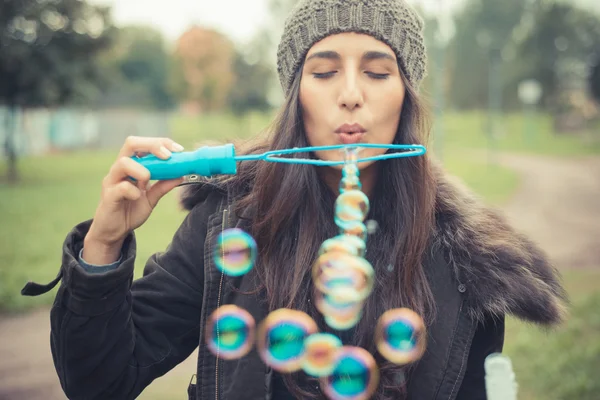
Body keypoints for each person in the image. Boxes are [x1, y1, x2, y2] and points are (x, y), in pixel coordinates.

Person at [22, 0, 568, 399]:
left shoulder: (471, 264)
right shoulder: (225, 224)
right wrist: (105, 241)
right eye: (324, 71)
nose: (350, 93)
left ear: (406, 99)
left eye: (378, 72)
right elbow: (98, 382)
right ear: (294, 96)